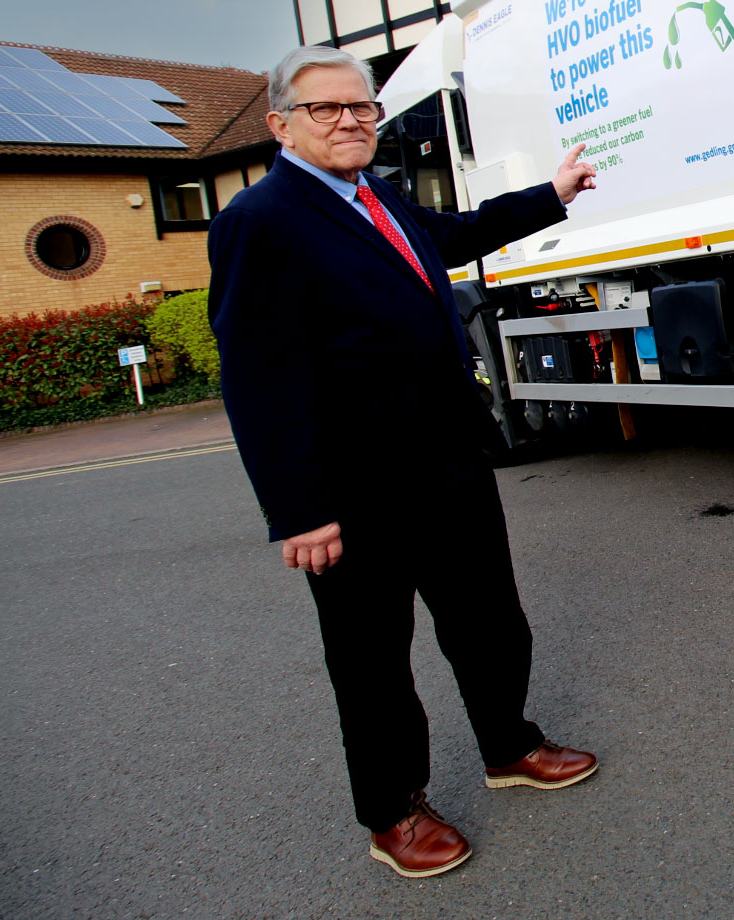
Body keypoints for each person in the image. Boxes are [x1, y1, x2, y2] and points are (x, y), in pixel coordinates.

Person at [209, 46, 600, 879]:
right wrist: (298, 507)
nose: (353, 121)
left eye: (363, 108)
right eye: (328, 109)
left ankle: (508, 745)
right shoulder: (260, 220)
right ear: (280, 123)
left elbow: (452, 235)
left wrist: (551, 196)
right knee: (373, 661)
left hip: (447, 468)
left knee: (490, 622)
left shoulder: (372, 194)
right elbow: (258, 375)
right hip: (353, 494)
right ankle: (393, 811)